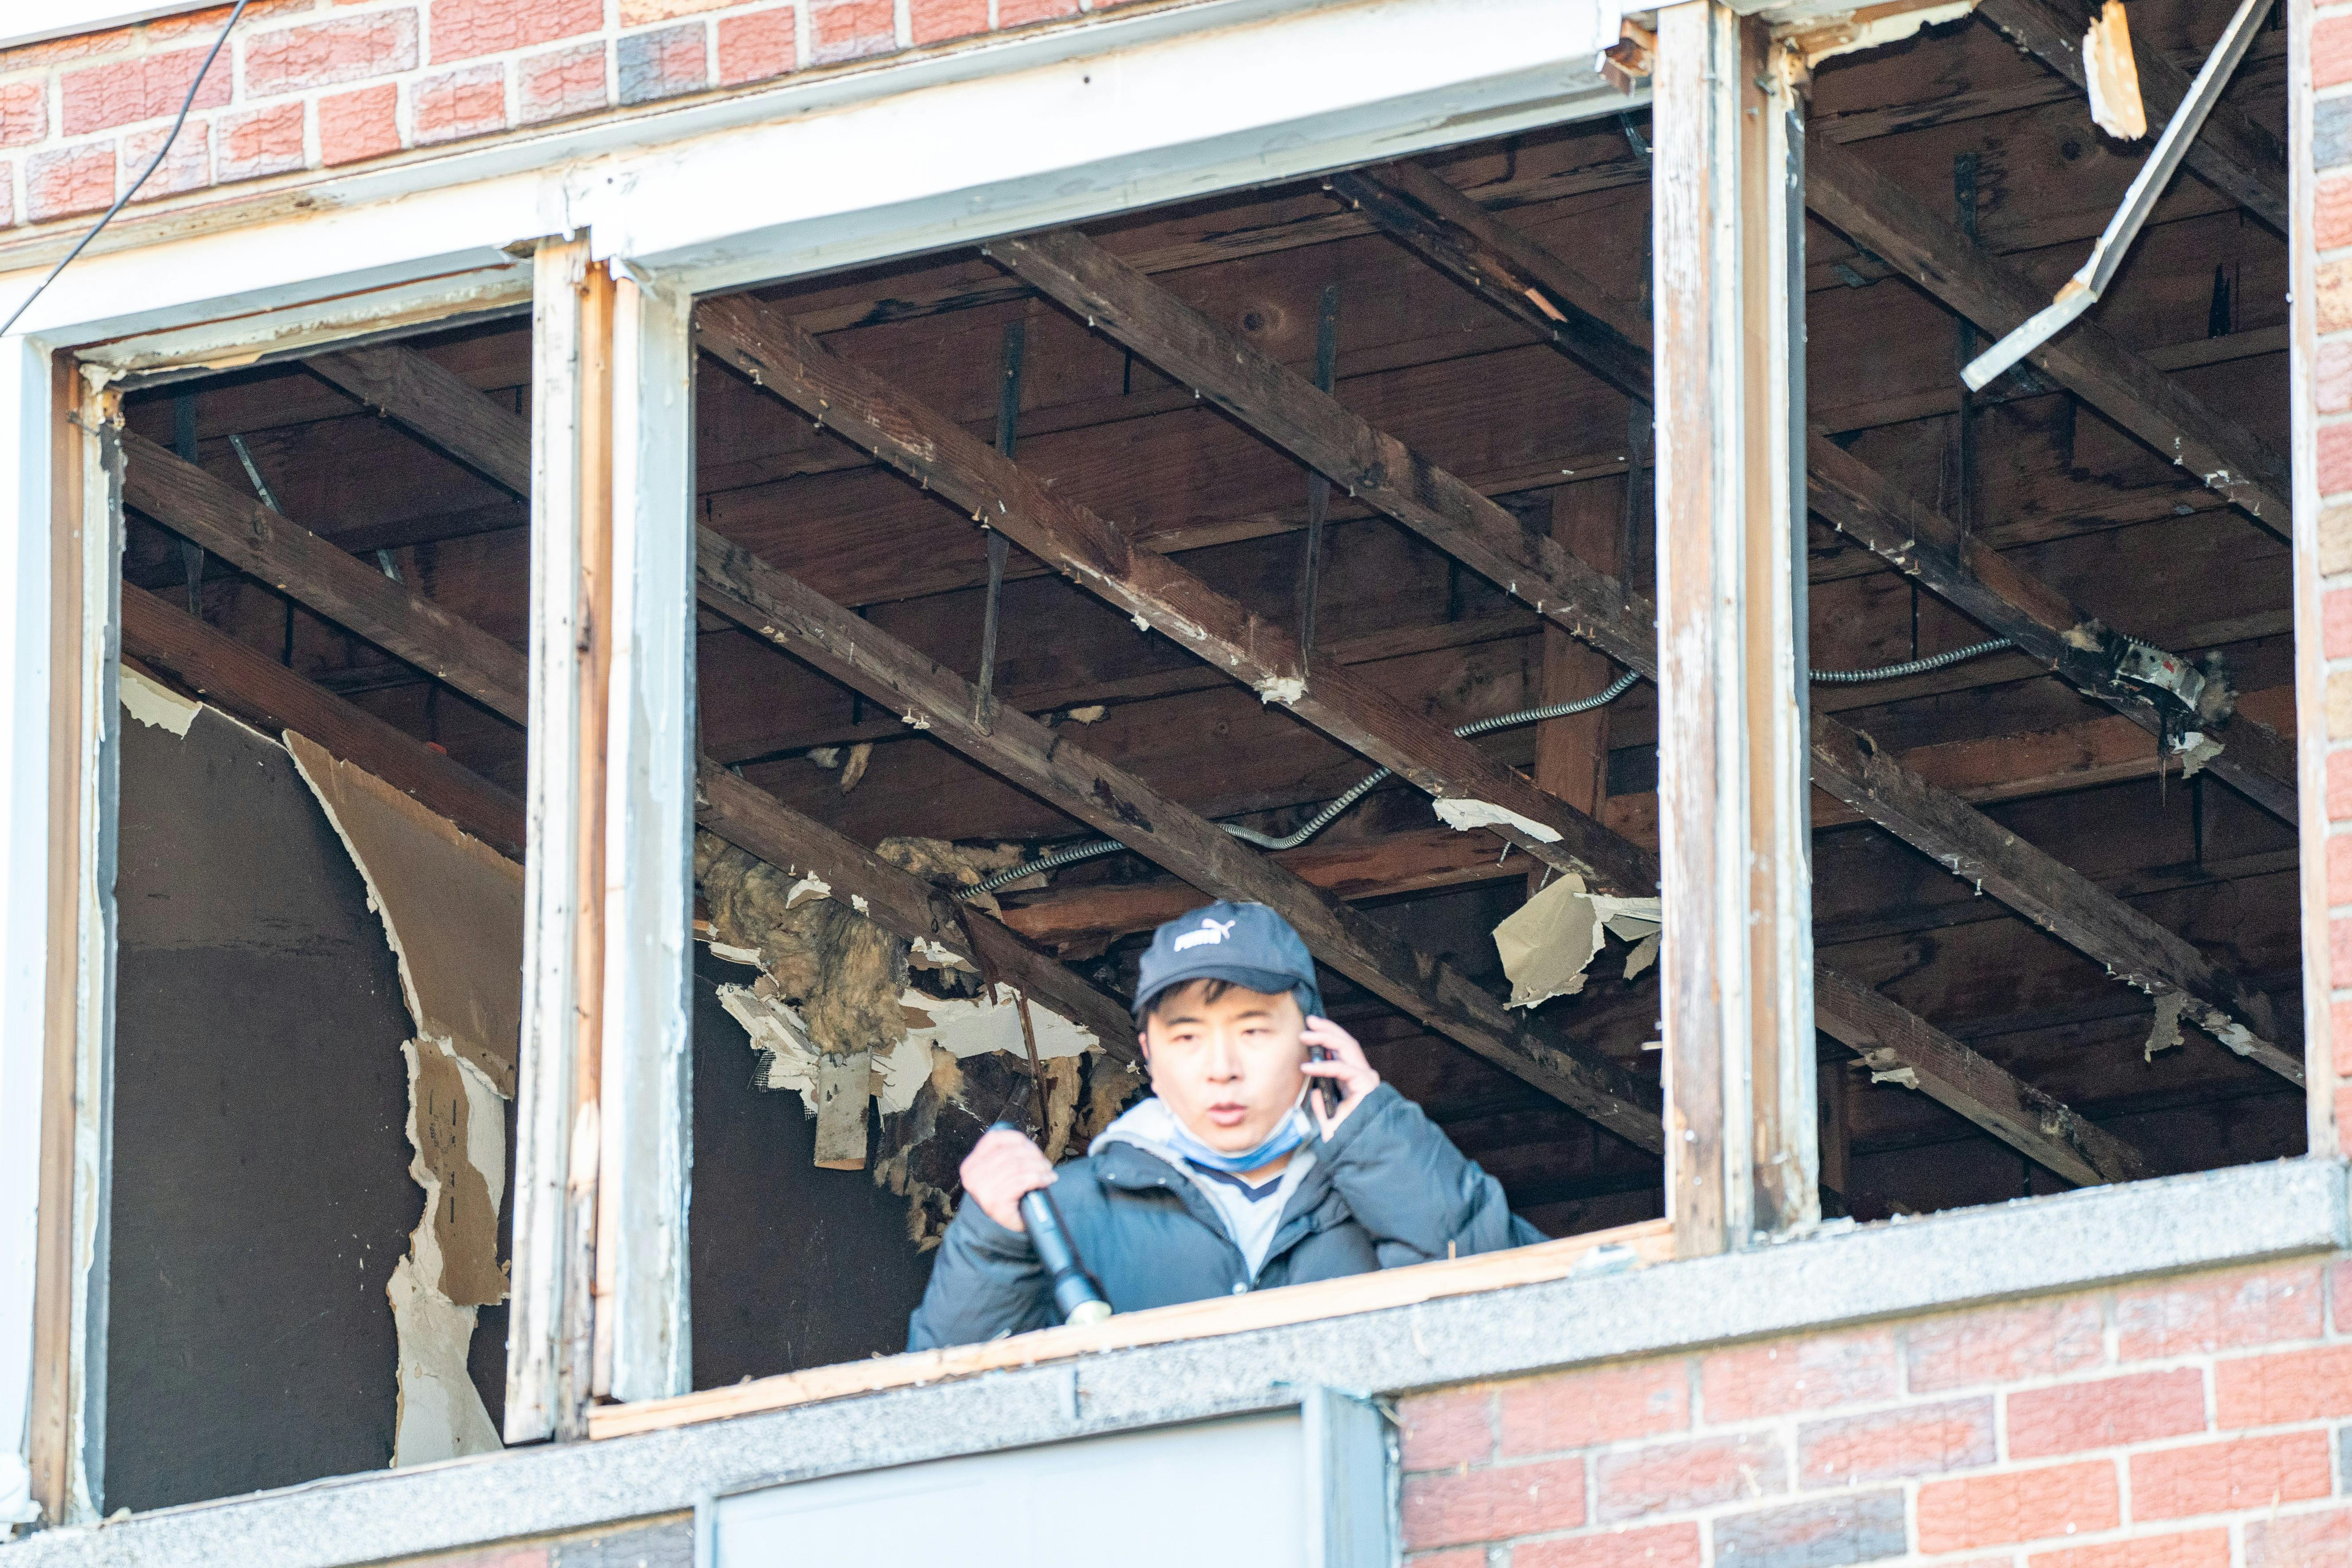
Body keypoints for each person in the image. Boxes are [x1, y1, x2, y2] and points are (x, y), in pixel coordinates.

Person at [906, 900, 1541, 1349]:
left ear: (1314, 1041)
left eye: (1254, 1031)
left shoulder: (1384, 1188)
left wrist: (1378, 1139)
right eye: (1186, 1036)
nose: (1221, 1068)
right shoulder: (1064, 1213)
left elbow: (1528, 1328)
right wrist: (991, 1242)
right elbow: (941, 1418)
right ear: (1149, 1055)